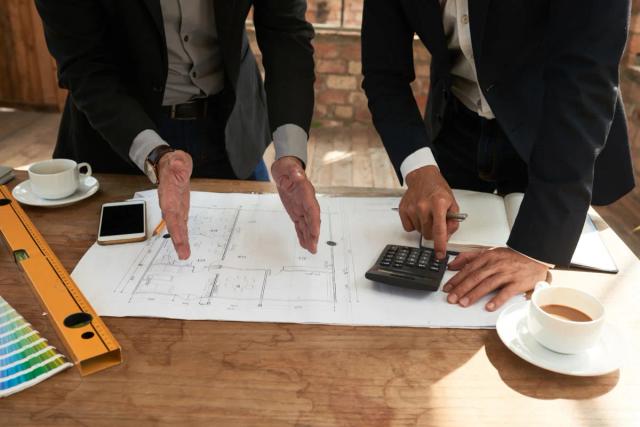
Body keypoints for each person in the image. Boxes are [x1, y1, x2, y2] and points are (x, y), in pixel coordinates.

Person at [361, 0, 635, 310]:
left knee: (549, 300)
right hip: (453, 127)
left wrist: (536, 249)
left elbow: (585, 79)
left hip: (554, 136)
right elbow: (384, 73)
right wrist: (419, 168)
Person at [35, 0, 321, 259]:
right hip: (121, 135)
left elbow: (286, 32)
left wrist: (290, 154)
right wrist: (154, 154)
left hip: (232, 126)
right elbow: (85, 65)